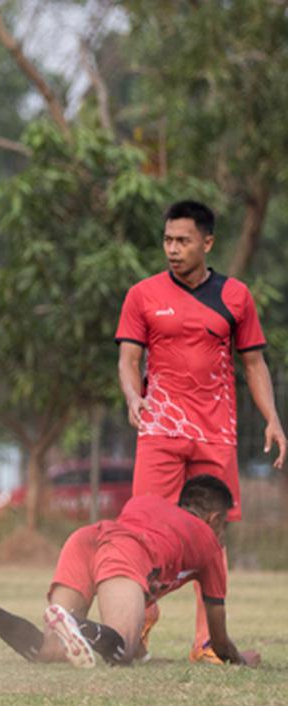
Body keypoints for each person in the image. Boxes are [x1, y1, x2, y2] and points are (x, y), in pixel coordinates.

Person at [115, 200, 285, 662]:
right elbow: (129, 359)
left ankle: (206, 642)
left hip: (215, 434)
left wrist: (272, 417)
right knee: (146, 531)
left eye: (183, 241)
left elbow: (254, 363)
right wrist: (132, 397)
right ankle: (138, 620)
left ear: (207, 243)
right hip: (160, 431)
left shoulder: (236, 296)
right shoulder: (142, 295)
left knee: (211, 537)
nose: (172, 249)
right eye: (168, 240)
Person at [0, 476, 258, 668]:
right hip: (125, 549)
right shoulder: (210, 547)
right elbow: (219, 642)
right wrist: (242, 660)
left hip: (87, 540)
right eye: (225, 527)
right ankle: (73, 622)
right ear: (215, 519)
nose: (223, 536)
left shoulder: (152, 506)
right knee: (121, 651)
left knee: (49, 650)